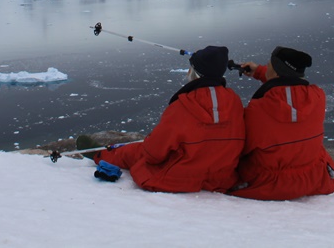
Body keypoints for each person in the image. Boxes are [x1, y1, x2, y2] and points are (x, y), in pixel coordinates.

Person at [96, 45, 245, 193]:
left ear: (195, 73)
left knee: (137, 152)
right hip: (221, 178)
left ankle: (100, 155)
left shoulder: (182, 106)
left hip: (180, 178)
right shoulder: (235, 102)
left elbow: (152, 154)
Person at [230, 46, 334, 201]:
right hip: (314, 177)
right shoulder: (318, 96)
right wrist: (260, 72)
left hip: (270, 183)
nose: (266, 67)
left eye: (269, 65)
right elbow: (289, 86)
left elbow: (243, 147)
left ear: (274, 71)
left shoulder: (259, 108)